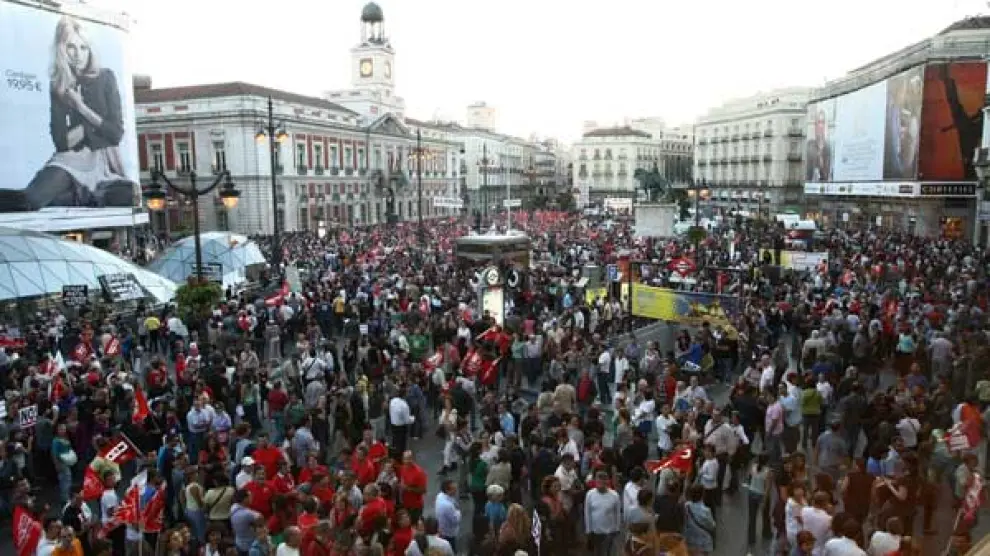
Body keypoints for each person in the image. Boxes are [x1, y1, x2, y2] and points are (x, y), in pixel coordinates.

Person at [17, 15, 134, 211]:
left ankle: (81, 195)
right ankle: (82, 195)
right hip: (71, 160)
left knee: (131, 194)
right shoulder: (59, 85)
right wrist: (95, 126)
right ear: (62, 49)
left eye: (83, 48)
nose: (78, 54)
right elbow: (61, 142)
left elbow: (116, 133)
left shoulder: (106, 77)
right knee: (32, 199)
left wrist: (81, 108)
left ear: (90, 50)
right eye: (71, 47)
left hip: (105, 162)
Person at [584, 470, 621, 556]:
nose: (601, 482)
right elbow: (587, 513)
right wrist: (588, 529)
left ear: (607, 481)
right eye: (599, 480)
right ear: (595, 481)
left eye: (604, 480)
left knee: (607, 552)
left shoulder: (614, 495)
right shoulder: (590, 494)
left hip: (609, 531)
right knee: (597, 552)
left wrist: (617, 528)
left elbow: (617, 513)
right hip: (595, 532)